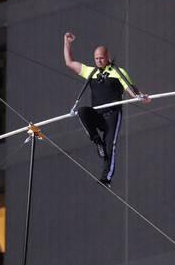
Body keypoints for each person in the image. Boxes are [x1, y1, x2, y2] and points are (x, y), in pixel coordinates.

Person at [63, 32, 148, 185]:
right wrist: (67, 43)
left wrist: (140, 96)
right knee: (82, 111)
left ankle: (106, 178)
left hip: (112, 115)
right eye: (96, 59)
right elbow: (70, 62)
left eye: (101, 58)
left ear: (107, 56)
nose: (99, 61)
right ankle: (97, 142)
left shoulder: (118, 72)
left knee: (110, 146)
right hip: (97, 114)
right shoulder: (91, 72)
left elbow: (131, 89)